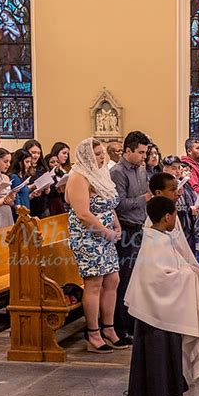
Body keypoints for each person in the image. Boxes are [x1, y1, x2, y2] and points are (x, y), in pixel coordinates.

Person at [125, 196, 199, 396]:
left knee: (163, 356)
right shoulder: (156, 241)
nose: (176, 219)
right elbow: (159, 278)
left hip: (159, 311)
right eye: (175, 215)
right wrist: (188, 273)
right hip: (156, 314)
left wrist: (184, 271)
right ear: (167, 217)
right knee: (158, 358)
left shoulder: (157, 236)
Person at [66, 138, 128, 353]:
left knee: (113, 279)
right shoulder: (78, 177)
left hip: (106, 235)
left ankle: (109, 329)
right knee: (94, 283)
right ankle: (93, 333)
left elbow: (109, 204)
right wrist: (105, 231)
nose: (103, 157)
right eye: (98, 154)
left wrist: (116, 225)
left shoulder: (101, 175)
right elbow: (83, 213)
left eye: (103, 153)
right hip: (87, 236)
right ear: (87, 157)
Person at [110, 130, 151, 342]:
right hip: (125, 229)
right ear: (128, 150)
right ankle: (120, 326)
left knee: (137, 279)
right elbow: (119, 204)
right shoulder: (118, 172)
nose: (144, 156)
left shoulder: (141, 169)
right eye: (141, 152)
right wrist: (144, 198)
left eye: (145, 152)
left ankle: (133, 321)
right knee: (124, 280)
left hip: (139, 227)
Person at [162, 155, 199, 254]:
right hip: (171, 226)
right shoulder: (162, 185)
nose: (178, 171)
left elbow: (186, 203)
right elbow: (166, 206)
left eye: (179, 168)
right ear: (165, 169)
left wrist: (194, 208)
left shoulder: (183, 183)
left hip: (186, 225)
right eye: (173, 168)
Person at [23, 139, 49, 219]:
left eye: (38, 153)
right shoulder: (23, 168)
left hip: (43, 207)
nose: (36, 155)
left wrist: (47, 189)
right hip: (29, 208)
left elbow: (48, 187)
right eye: (33, 152)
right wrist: (33, 187)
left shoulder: (42, 167)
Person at [9, 149, 32, 213]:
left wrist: (32, 194)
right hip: (20, 213)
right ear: (19, 162)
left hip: (25, 210)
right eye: (27, 162)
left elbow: (23, 194)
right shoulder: (14, 177)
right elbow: (16, 197)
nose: (29, 165)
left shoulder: (22, 176)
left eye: (30, 162)